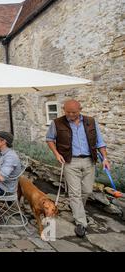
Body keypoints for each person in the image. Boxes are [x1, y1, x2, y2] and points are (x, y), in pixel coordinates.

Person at [46, 99, 110, 238]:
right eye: (68, 112)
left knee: (86, 191)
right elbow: (50, 139)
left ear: (80, 109)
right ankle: (81, 222)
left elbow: (100, 141)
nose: (70, 114)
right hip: (70, 161)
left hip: (89, 161)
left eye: (74, 112)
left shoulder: (91, 121)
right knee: (75, 193)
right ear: (64, 109)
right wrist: (56, 154)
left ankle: (75, 207)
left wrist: (105, 158)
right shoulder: (56, 123)